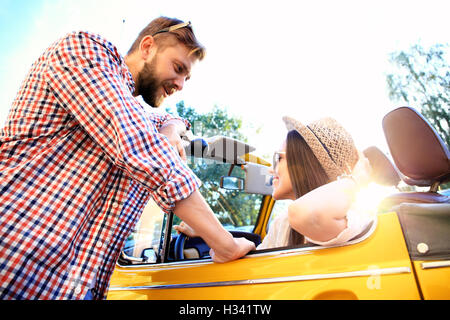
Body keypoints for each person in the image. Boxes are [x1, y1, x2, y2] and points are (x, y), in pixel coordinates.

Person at [0, 16, 255, 300]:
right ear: (147, 47)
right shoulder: (84, 51)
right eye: (178, 68)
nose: (181, 84)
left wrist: (172, 126)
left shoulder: (134, 111)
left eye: (187, 78)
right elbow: (139, 148)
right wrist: (224, 243)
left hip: (71, 288)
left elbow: (161, 119)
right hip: (13, 265)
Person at [175, 116, 374, 249]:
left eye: (277, 158)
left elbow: (305, 214)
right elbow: (253, 265)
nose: (271, 169)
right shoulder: (283, 224)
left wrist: (356, 180)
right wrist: (206, 232)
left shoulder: (352, 219)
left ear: (303, 164)